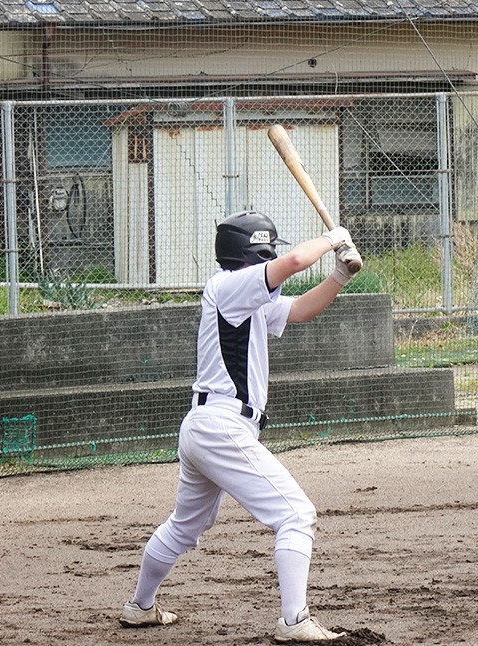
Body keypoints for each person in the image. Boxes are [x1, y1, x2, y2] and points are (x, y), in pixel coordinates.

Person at [118, 209, 362, 642]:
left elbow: (299, 310)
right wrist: (332, 239)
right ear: (251, 254)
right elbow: (293, 262)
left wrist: (339, 277)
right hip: (221, 425)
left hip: (208, 427)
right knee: (296, 515)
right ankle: (294, 621)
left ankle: (140, 607)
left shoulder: (246, 299)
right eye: (266, 252)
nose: (271, 258)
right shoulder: (229, 287)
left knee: (184, 526)